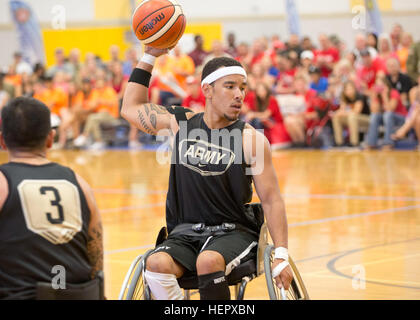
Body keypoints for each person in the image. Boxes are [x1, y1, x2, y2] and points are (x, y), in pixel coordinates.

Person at [121, 47, 293, 300]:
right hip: (185, 231)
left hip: (233, 232)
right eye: (230, 86)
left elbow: (271, 199)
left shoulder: (251, 140)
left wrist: (281, 254)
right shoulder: (180, 123)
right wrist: (150, 56)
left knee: (208, 260)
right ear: (207, 90)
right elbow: (130, 107)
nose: (239, 95)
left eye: (243, 88)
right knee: (155, 264)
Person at [0, 97, 103, 299]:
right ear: (50, 138)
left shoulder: (2, 183)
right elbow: (95, 257)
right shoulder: (80, 184)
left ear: (2, 141)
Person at [366, 76, 407, 150]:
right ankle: (371, 143)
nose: (379, 87)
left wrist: (385, 96)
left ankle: (388, 142)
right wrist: (373, 97)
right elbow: (374, 111)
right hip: (386, 118)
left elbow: (390, 109)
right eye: (377, 85)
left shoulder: (394, 92)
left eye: (381, 85)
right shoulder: (377, 95)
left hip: (401, 118)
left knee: (388, 115)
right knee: (374, 116)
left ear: (386, 85)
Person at [331, 81, 370, 147]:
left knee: (352, 116)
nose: (349, 91)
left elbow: (356, 111)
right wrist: (336, 113)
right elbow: (342, 110)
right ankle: (339, 143)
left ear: (354, 89)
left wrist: (342, 112)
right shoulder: (344, 98)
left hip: (366, 119)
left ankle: (354, 143)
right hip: (352, 118)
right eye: (347, 89)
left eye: (350, 89)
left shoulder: (360, 96)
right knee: (336, 118)